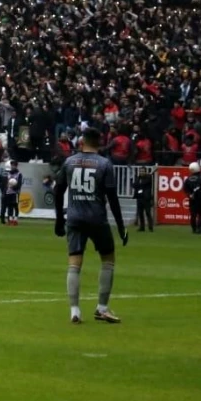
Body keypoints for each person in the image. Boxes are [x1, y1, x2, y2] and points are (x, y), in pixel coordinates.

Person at [53, 127, 128, 324]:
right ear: (99, 142)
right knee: (108, 258)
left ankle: (74, 310)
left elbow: (58, 190)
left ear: (82, 142)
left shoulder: (69, 162)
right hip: (97, 218)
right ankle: (102, 307)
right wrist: (120, 226)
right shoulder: (104, 164)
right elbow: (112, 198)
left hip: (74, 218)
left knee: (74, 263)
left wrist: (59, 219)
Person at [0, 159, 23, 226]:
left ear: (16, 166)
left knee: (15, 207)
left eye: (13, 165)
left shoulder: (19, 174)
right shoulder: (8, 173)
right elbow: (6, 182)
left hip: (15, 193)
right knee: (9, 206)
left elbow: (19, 184)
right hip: (8, 193)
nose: (12, 166)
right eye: (11, 165)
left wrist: (13, 186)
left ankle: (15, 220)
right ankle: (10, 220)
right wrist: (4, 188)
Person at [183, 162, 201, 235]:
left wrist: (189, 195)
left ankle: (194, 229)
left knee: (193, 215)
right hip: (200, 199)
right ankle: (199, 228)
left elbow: (185, 189)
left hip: (192, 200)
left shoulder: (188, 179)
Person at [133, 167, 154, 232]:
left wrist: (138, 184)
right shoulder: (138, 178)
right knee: (140, 213)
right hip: (139, 197)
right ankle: (142, 227)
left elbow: (144, 183)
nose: (141, 172)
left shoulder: (148, 177)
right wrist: (137, 183)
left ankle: (150, 227)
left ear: (145, 172)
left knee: (148, 213)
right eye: (140, 171)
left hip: (146, 198)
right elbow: (134, 185)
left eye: (142, 171)